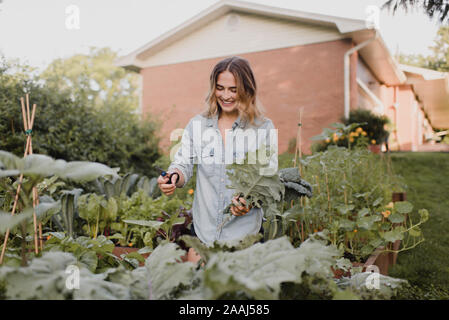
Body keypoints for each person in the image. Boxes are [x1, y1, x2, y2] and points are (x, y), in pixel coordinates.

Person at [157, 56, 278, 261]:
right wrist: (173, 177)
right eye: (220, 88)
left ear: (247, 89)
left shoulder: (263, 128)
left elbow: (267, 179)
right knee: (198, 290)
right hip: (204, 234)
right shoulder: (198, 125)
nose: (226, 96)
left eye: (233, 89)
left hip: (245, 238)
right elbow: (182, 163)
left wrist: (249, 201)